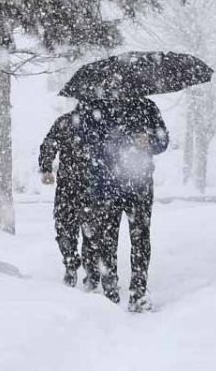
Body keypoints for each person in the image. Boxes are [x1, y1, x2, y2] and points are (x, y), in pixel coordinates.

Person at [78, 97, 168, 313]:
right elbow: (85, 141)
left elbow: (163, 141)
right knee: (108, 240)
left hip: (140, 186)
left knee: (140, 239)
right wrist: (112, 143)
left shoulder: (147, 107)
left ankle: (138, 292)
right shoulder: (96, 107)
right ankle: (110, 293)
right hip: (108, 186)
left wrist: (150, 141)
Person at [39, 103, 94, 288]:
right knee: (90, 230)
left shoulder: (66, 121)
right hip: (89, 186)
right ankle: (88, 268)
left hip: (70, 185)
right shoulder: (99, 121)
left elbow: (49, 143)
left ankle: (73, 262)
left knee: (66, 227)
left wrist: (47, 167)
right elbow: (50, 143)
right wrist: (46, 167)